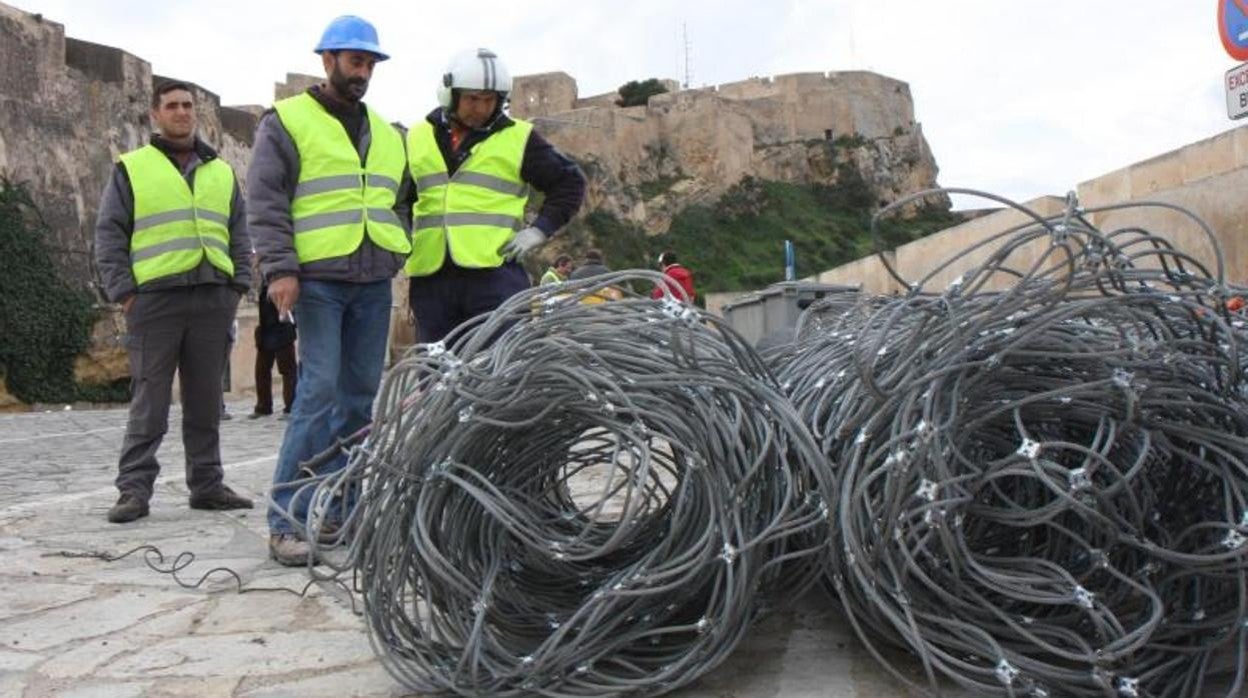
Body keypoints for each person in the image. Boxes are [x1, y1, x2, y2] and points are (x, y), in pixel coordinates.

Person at [248, 16, 411, 565]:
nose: (361, 71)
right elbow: (267, 200)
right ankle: (285, 521)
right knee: (317, 392)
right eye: (353, 61)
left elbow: (402, 199)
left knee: (362, 399)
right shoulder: (287, 122)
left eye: (368, 63)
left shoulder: (389, 133)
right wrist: (281, 269)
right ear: (328, 61)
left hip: (372, 280)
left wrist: (399, 249)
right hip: (316, 279)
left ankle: (344, 510)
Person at [94, 80, 254, 523]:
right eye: (173, 106)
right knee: (150, 401)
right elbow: (109, 234)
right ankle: (133, 490)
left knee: (206, 402)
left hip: (212, 299)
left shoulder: (221, 171)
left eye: (188, 106)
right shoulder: (132, 168)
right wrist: (123, 292)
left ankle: (207, 485)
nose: (182, 112)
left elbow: (239, 232)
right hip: (155, 302)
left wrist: (238, 283)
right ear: (155, 115)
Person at [404, 48, 585, 343]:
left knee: (498, 374)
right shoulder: (416, 136)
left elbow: (569, 183)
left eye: (489, 100)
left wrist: (538, 231)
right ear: (451, 94)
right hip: (431, 276)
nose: (481, 108)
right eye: (473, 99)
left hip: (494, 275)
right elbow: (403, 199)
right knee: (435, 375)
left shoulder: (519, 137)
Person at [249, 278, 298, 419]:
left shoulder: (284, 284)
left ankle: (291, 407)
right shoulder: (264, 287)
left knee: (288, 370)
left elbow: (291, 309)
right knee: (261, 371)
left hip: (283, 330)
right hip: (266, 332)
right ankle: (263, 407)